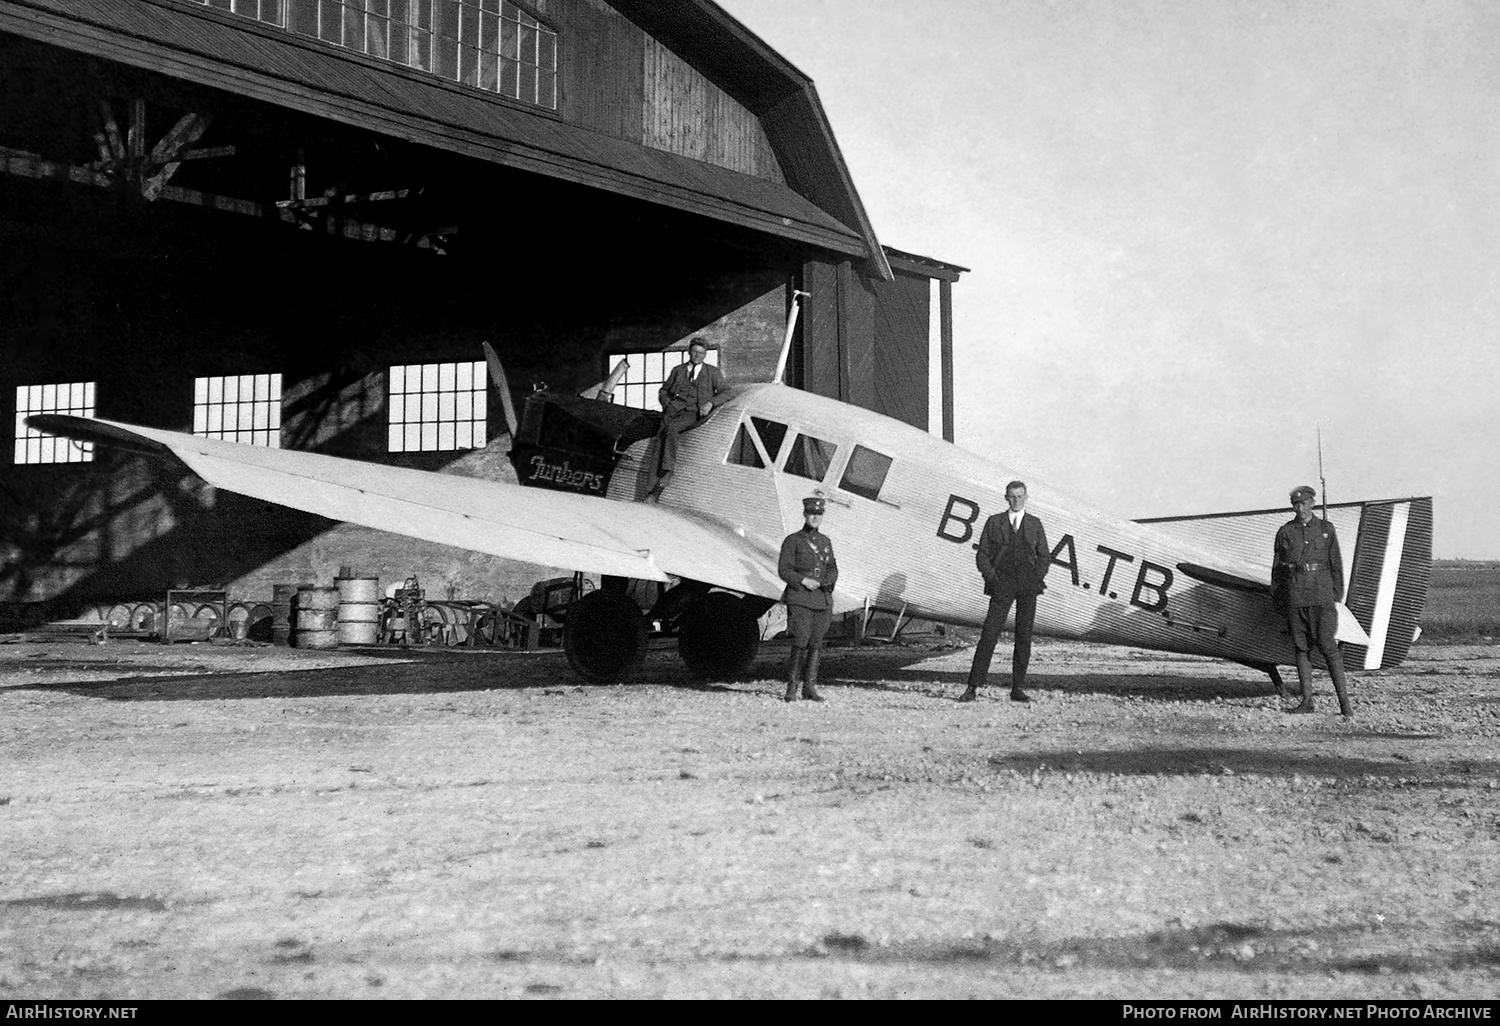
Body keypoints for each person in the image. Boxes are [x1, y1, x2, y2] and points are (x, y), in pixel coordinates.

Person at [960, 480, 1050, 703]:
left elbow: (1044, 556)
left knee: (1023, 636)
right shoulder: (994, 522)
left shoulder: (1034, 524)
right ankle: (972, 687)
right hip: (1003, 585)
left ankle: (1017, 689)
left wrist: (1034, 577)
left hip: (1027, 586)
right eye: (1012, 496)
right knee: (989, 634)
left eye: (1020, 496)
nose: (1016, 500)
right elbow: (982, 555)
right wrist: (994, 579)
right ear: (1005, 497)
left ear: (1026, 497)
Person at [1273, 485, 1353, 717]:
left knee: (1328, 646)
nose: (1300, 508)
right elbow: (1277, 569)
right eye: (1296, 504)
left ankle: (1344, 703)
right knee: (1301, 648)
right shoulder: (1285, 532)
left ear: (1312, 504)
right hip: (1295, 595)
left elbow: (1335, 563)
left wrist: (1336, 594)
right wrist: (1279, 599)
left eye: (1304, 503)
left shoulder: (1326, 529)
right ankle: (1307, 700)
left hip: (1321, 595)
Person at [778, 495, 838, 703]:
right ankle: (791, 687)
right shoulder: (793, 541)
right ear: (805, 514)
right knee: (800, 641)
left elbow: (832, 568)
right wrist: (803, 580)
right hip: (801, 598)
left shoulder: (825, 542)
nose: (815, 517)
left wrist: (825, 583)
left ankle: (810, 687)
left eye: (819, 514)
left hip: (821, 600)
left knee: (816, 643)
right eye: (812, 513)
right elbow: (783, 569)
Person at [654, 338, 728, 490]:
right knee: (660, 435)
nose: (697, 355)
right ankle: (653, 483)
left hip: (694, 413)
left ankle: (668, 469)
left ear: (705, 355)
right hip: (673, 410)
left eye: (701, 353)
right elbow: (663, 390)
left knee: (671, 428)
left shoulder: (713, 372)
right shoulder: (678, 370)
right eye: (695, 352)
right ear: (689, 352)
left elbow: (726, 392)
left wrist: (711, 403)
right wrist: (667, 403)